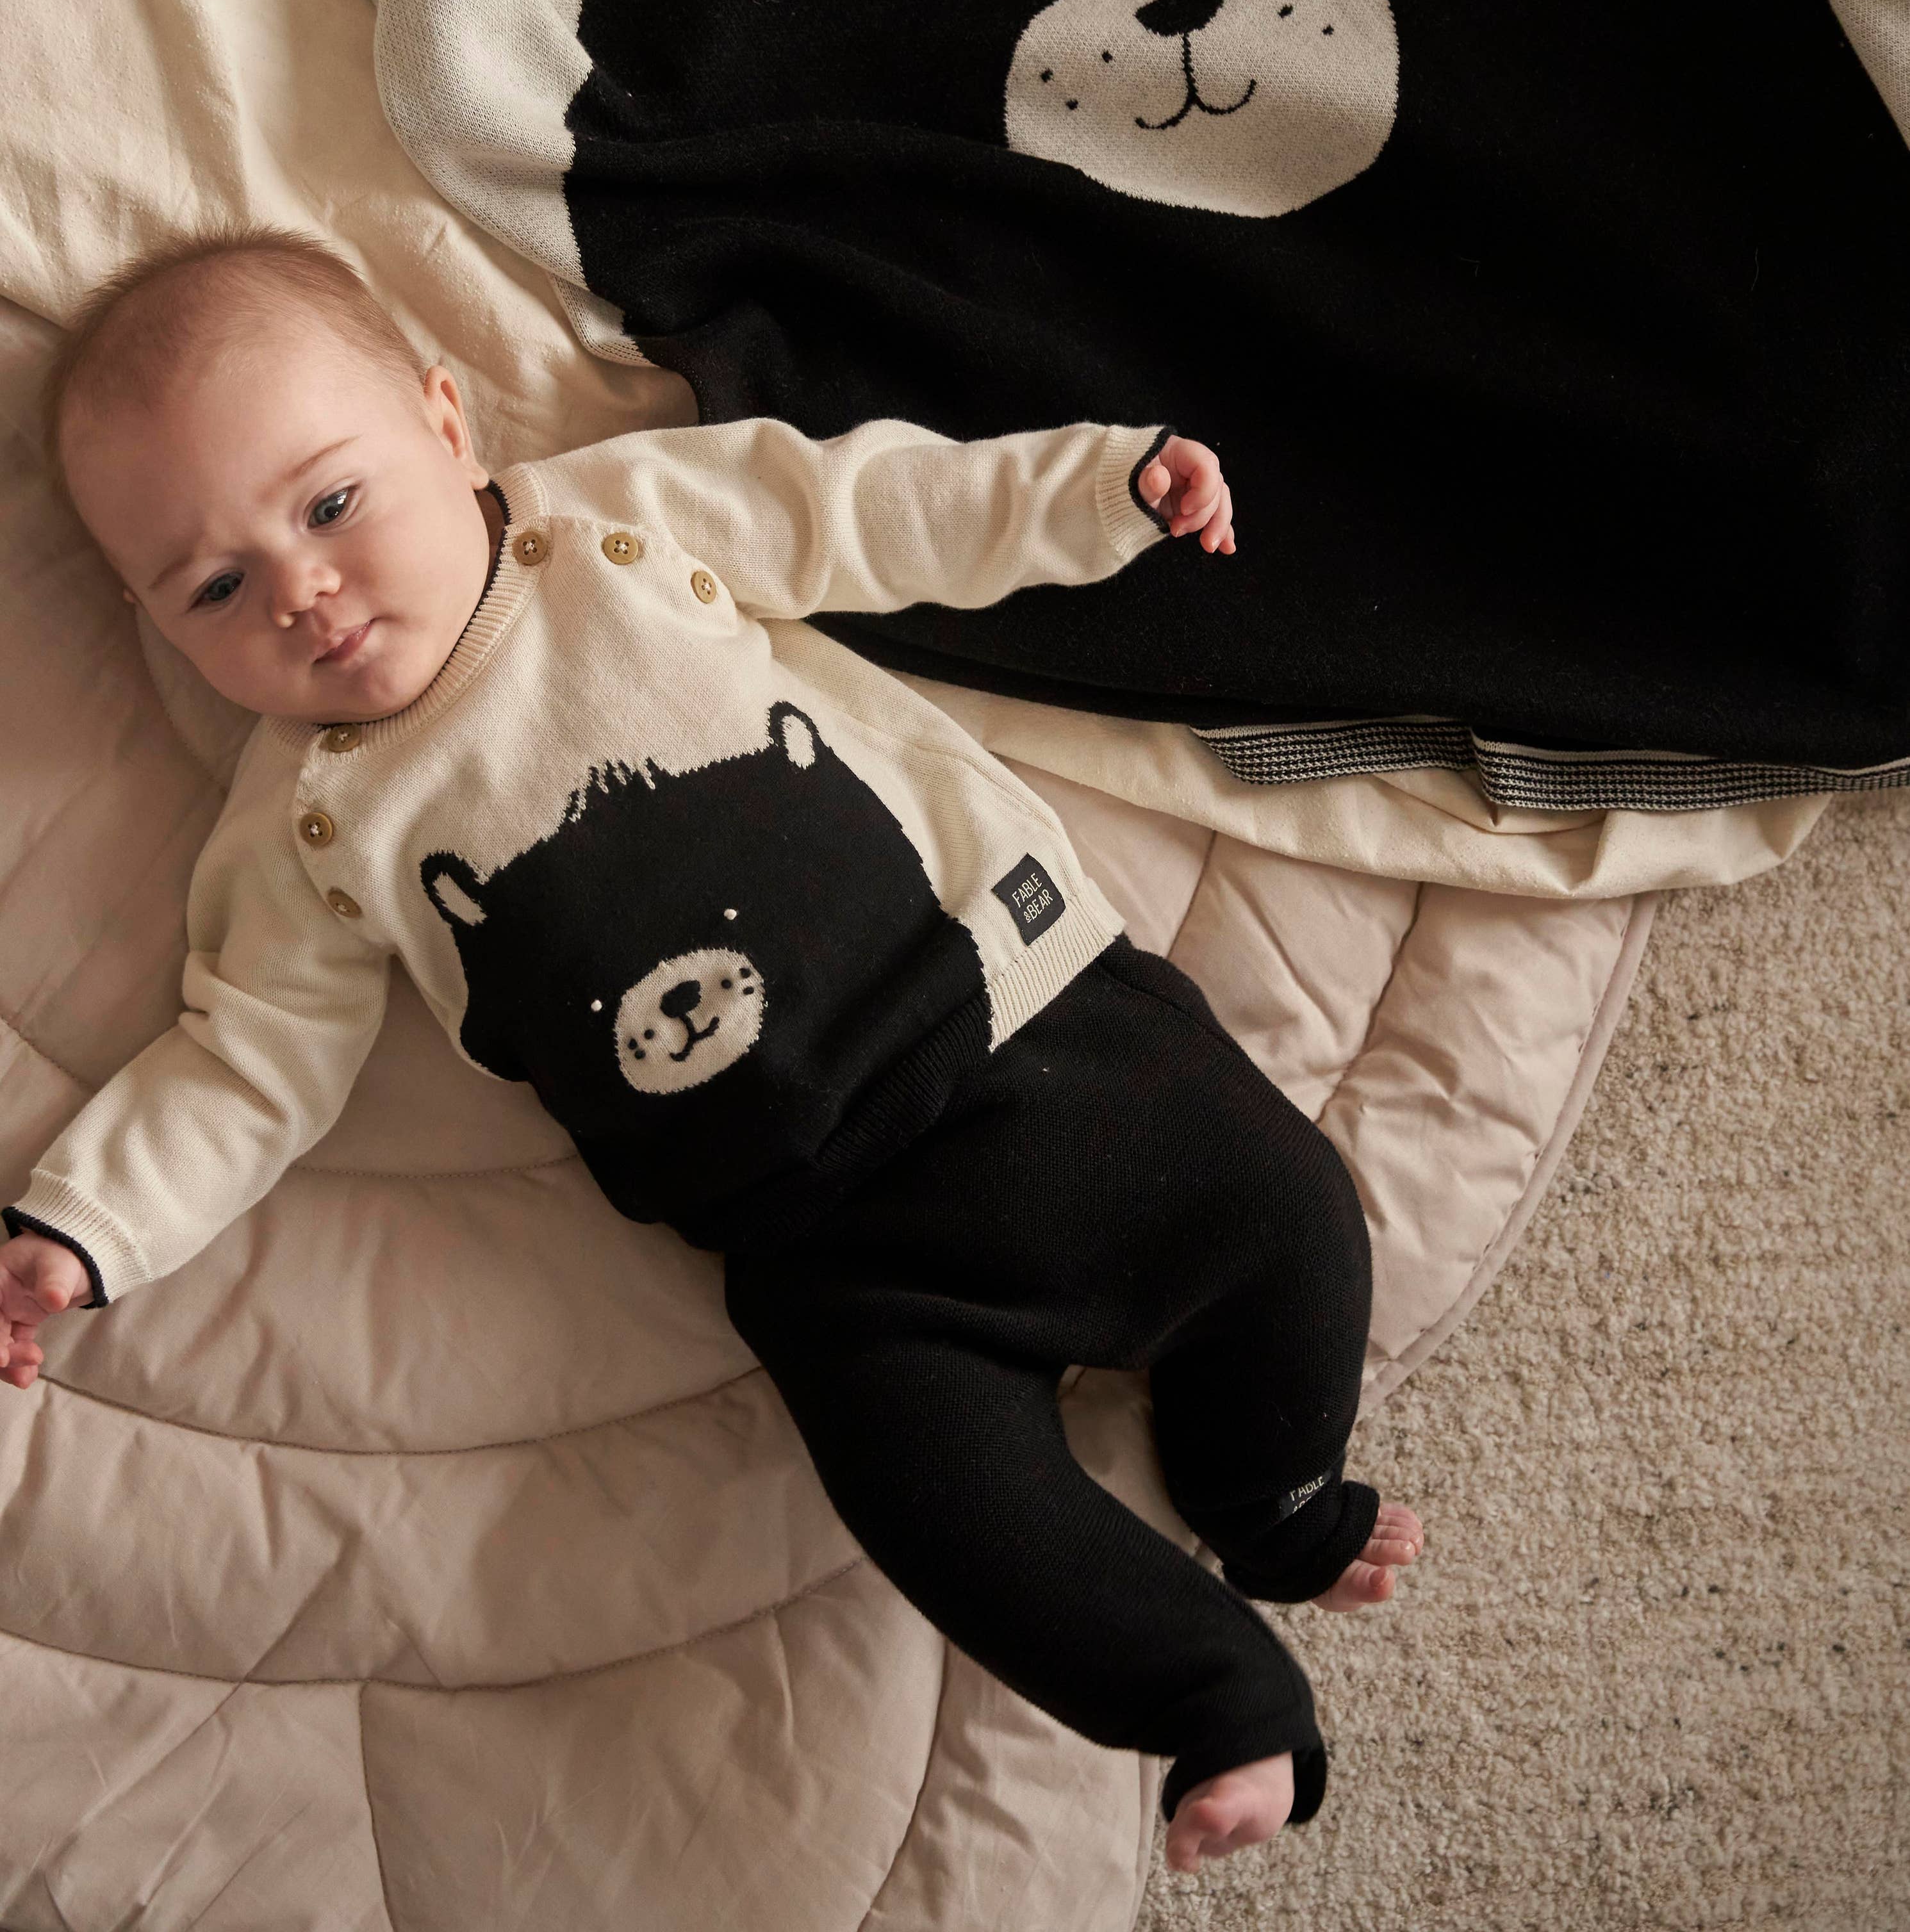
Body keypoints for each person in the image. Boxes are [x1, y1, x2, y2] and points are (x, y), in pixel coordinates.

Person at [0, 229, 1421, 1873]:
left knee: (1287, 1209)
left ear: (446, 426)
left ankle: (1276, 1504)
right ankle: (1221, 1698)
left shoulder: (619, 526)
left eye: (329, 505)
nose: (302, 590)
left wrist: (1096, 496)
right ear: (154, 620)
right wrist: (86, 1226)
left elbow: (865, 511)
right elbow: (247, 1059)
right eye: (216, 586)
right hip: (836, 1252)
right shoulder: (309, 822)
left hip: (1027, 1027)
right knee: (932, 1506)